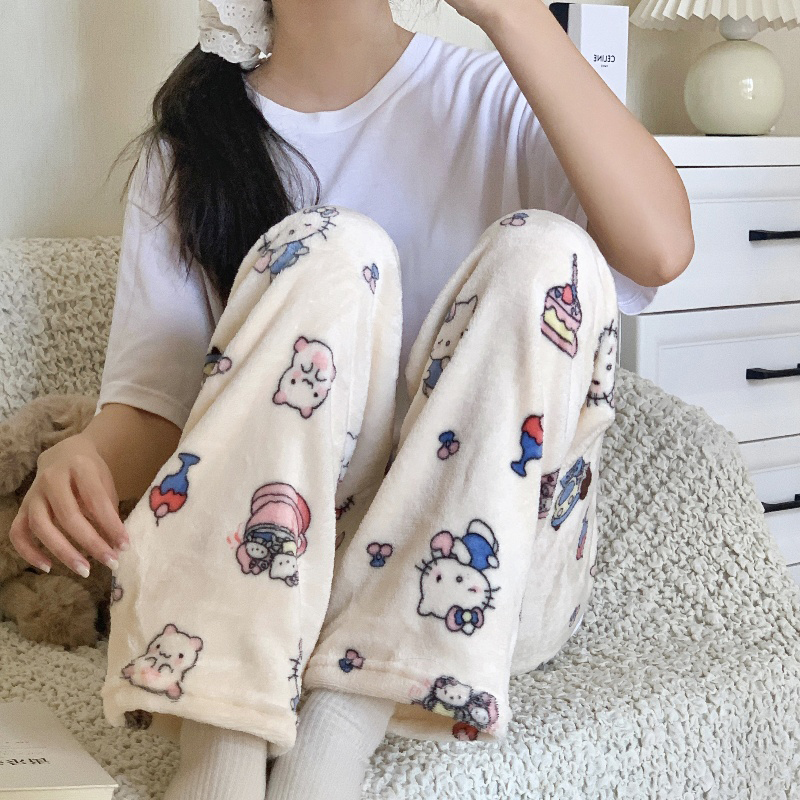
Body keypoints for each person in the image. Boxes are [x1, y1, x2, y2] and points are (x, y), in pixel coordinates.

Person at [8, 0, 694, 797]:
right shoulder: (190, 144)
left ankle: (337, 730)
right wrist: (83, 453)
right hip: (281, 563)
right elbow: (159, 408)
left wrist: (514, 16)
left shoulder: (498, 95)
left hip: (480, 582)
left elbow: (660, 249)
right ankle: (222, 742)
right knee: (332, 245)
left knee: (547, 248)